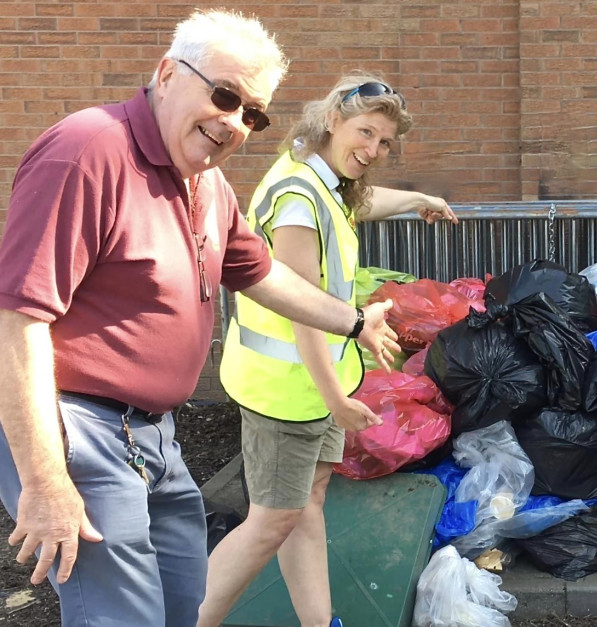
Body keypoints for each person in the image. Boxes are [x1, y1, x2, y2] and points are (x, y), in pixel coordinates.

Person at [0, 11, 401, 627]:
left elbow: (263, 273)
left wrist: (353, 322)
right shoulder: (86, 153)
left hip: (155, 434)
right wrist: (45, 481)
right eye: (224, 95)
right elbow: (18, 321)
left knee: (184, 606)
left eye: (253, 113)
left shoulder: (205, 183)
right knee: (122, 616)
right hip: (79, 429)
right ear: (167, 74)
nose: (235, 122)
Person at [197, 72, 456, 627]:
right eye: (366, 132)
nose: (373, 150)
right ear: (332, 118)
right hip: (288, 391)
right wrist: (335, 395)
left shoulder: (320, 177)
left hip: (307, 386)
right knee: (271, 520)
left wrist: (418, 198)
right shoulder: (297, 198)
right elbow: (301, 307)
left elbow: (360, 203)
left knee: (303, 507)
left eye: (385, 142)